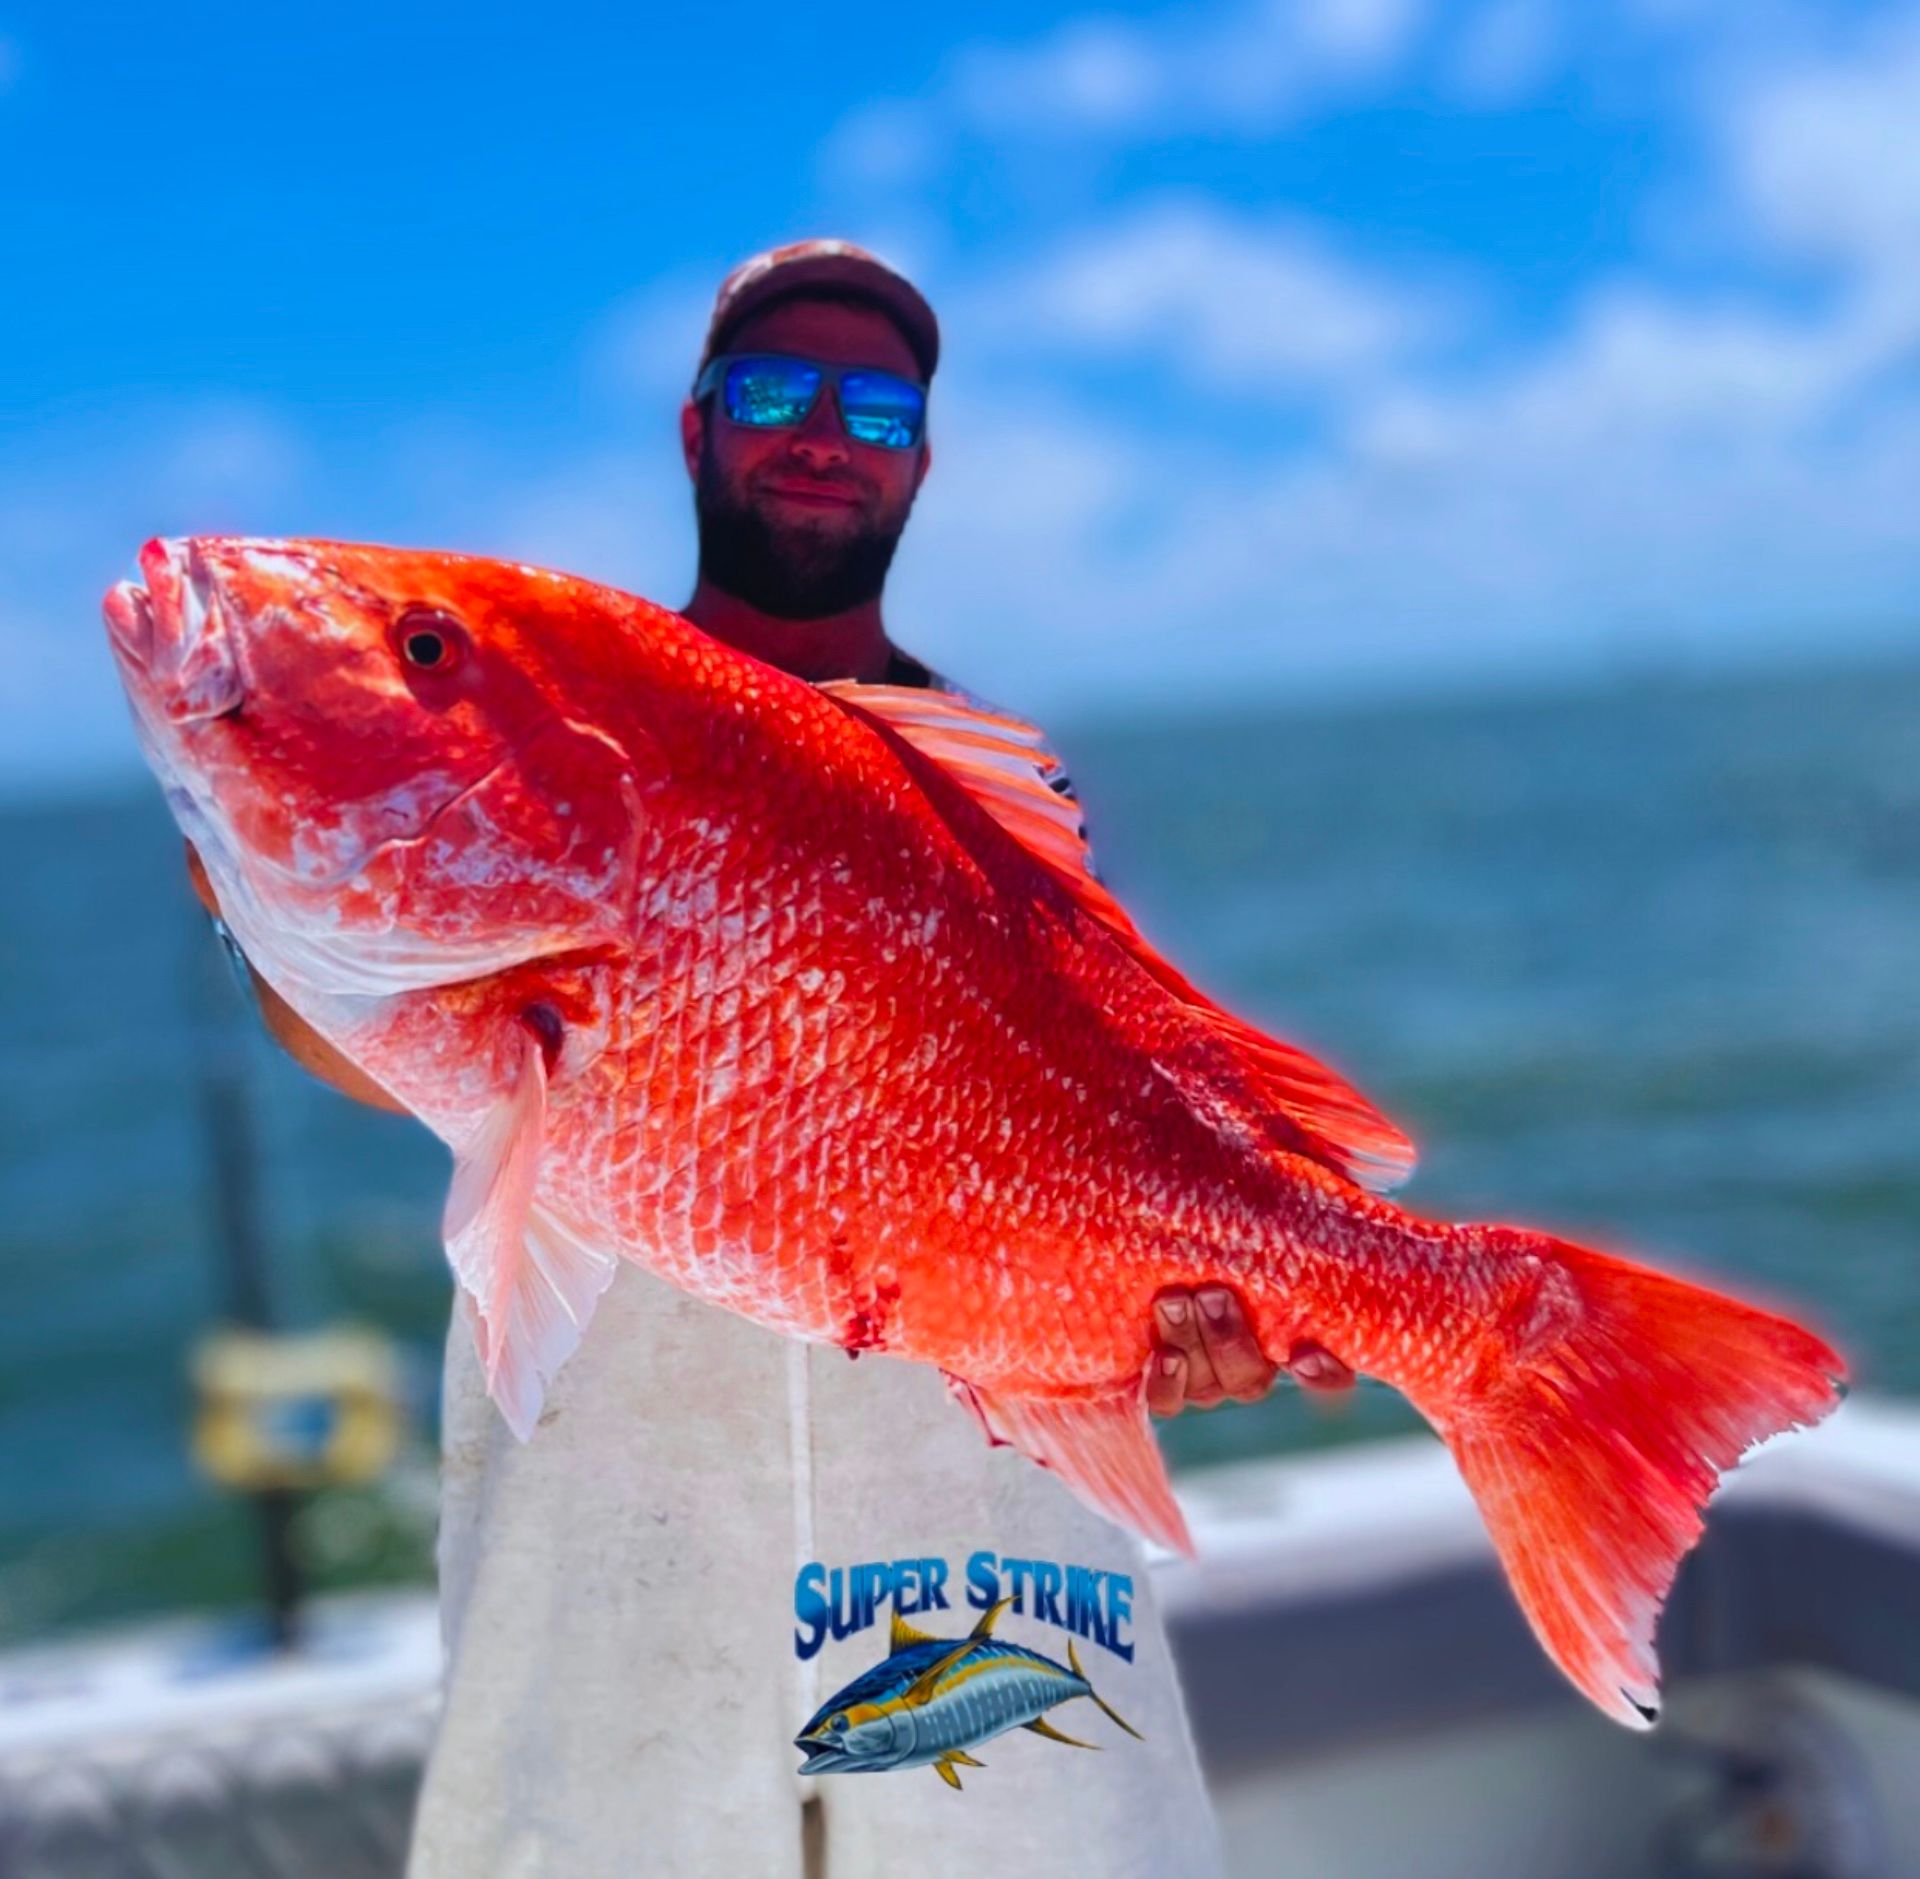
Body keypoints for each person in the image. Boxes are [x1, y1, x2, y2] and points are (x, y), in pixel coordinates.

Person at [200, 239, 1351, 1875]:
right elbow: (387, 1038)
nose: (823, 432)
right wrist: (272, 870)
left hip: (972, 1548)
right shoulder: (567, 718)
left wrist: (1185, 1324)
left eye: (876, 406)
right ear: (695, 431)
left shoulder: (1006, 796)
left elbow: (1113, 1130)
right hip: (622, 1509)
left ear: (921, 463)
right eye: (774, 391)